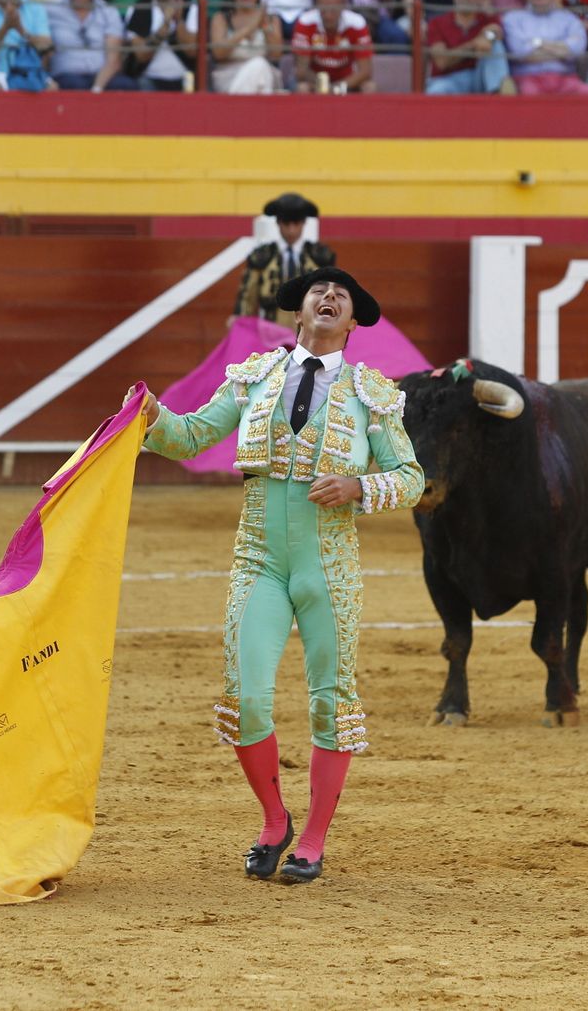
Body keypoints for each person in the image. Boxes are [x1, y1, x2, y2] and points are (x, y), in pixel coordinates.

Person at [131, 266, 423, 886]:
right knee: (244, 695)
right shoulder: (255, 377)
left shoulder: (373, 393)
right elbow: (190, 437)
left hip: (330, 563)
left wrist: (359, 485)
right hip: (258, 558)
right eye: (321, 290)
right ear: (300, 310)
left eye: (343, 296)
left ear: (352, 321)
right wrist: (153, 417)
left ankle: (313, 840)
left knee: (331, 701)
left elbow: (412, 477)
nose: (331, 297)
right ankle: (273, 821)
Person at [235, 193, 336, 323]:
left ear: (304, 223)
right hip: (270, 332)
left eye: (296, 223)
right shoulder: (261, 257)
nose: (291, 230)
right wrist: (240, 321)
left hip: (310, 332)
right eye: (286, 223)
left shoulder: (320, 257)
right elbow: (247, 299)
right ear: (278, 222)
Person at [503, 0, 588, 94]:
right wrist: (562, 48)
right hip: (527, 79)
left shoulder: (569, 19)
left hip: (566, 78)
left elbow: (576, 50)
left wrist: (537, 43)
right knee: (529, 94)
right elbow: (520, 52)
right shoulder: (512, 19)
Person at [45, 0, 137, 89]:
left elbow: (114, 58)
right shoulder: (49, 9)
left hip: (102, 76)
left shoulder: (109, 11)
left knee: (127, 86)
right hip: (66, 76)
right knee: (75, 85)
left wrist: (97, 88)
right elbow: (41, 49)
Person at [424, 0, 513, 93]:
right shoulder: (436, 23)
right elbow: (442, 62)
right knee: (437, 90)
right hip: (448, 80)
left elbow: (495, 31)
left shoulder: (489, 19)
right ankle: (500, 93)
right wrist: (474, 44)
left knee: (495, 45)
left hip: (480, 78)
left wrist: (487, 37)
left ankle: (498, 94)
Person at [201, 0, 286, 92]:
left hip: (265, 76)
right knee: (259, 65)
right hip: (229, 77)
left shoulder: (270, 18)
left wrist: (263, 24)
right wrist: (250, 28)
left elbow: (276, 54)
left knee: (260, 66)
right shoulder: (221, 18)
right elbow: (218, 53)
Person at [292, 0, 376, 92]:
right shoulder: (305, 22)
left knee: (370, 87)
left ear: (343, 6)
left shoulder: (357, 23)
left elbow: (365, 71)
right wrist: (324, 86)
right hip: (315, 81)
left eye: (333, 10)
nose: (328, 16)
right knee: (302, 88)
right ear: (316, 5)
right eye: (323, 10)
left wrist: (338, 87)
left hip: (347, 80)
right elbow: (301, 71)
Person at [123, 0, 190, 89]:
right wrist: (165, 24)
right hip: (148, 79)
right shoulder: (138, 9)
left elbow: (193, 52)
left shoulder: (192, 8)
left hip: (186, 78)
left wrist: (179, 20)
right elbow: (141, 55)